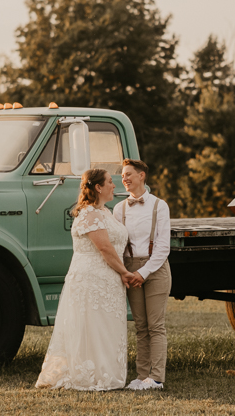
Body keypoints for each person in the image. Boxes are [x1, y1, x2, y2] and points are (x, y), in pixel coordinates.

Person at [35, 168, 132, 391]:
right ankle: (89, 375)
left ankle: (104, 371)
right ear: (98, 187)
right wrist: (125, 273)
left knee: (104, 325)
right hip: (92, 277)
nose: (114, 185)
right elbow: (105, 248)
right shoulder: (89, 214)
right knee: (91, 325)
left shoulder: (106, 213)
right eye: (110, 182)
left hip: (108, 278)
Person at [114, 158, 172, 391]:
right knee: (140, 326)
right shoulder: (119, 209)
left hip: (155, 269)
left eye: (128, 174)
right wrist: (127, 272)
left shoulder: (160, 206)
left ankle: (156, 378)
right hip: (130, 269)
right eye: (122, 176)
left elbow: (163, 247)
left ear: (141, 176)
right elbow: (118, 244)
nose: (124, 179)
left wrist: (144, 272)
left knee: (156, 325)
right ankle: (141, 376)